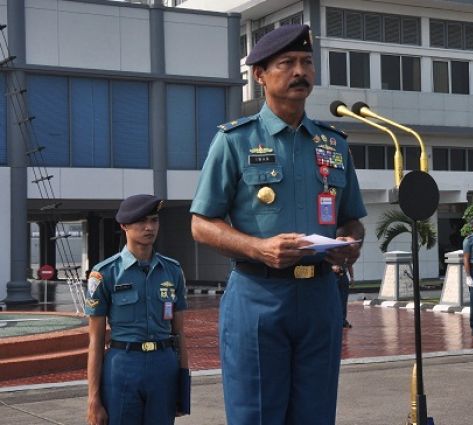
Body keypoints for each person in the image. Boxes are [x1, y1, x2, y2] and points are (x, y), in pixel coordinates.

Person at [189, 24, 366, 425]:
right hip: (258, 296)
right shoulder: (235, 140)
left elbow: (352, 218)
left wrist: (350, 242)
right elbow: (201, 224)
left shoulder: (333, 143)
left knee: (316, 415)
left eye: (306, 62)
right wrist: (259, 248)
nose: (299, 71)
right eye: (286, 63)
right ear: (260, 75)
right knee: (258, 416)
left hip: (322, 296)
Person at [84, 195, 189, 425]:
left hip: (164, 367)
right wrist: (93, 399)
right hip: (123, 366)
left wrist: (183, 384)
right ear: (124, 226)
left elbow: (179, 333)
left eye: (154, 220)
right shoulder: (105, 274)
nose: (149, 227)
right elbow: (96, 341)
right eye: (141, 222)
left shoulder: (172, 271)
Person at [335, 264, 354, 328]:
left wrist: (352, 277)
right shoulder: (330, 254)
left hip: (343, 277)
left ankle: (342, 320)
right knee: (333, 301)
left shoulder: (346, 255)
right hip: (333, 277)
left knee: (343, 300)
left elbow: (350, 264)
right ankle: (335, 320)